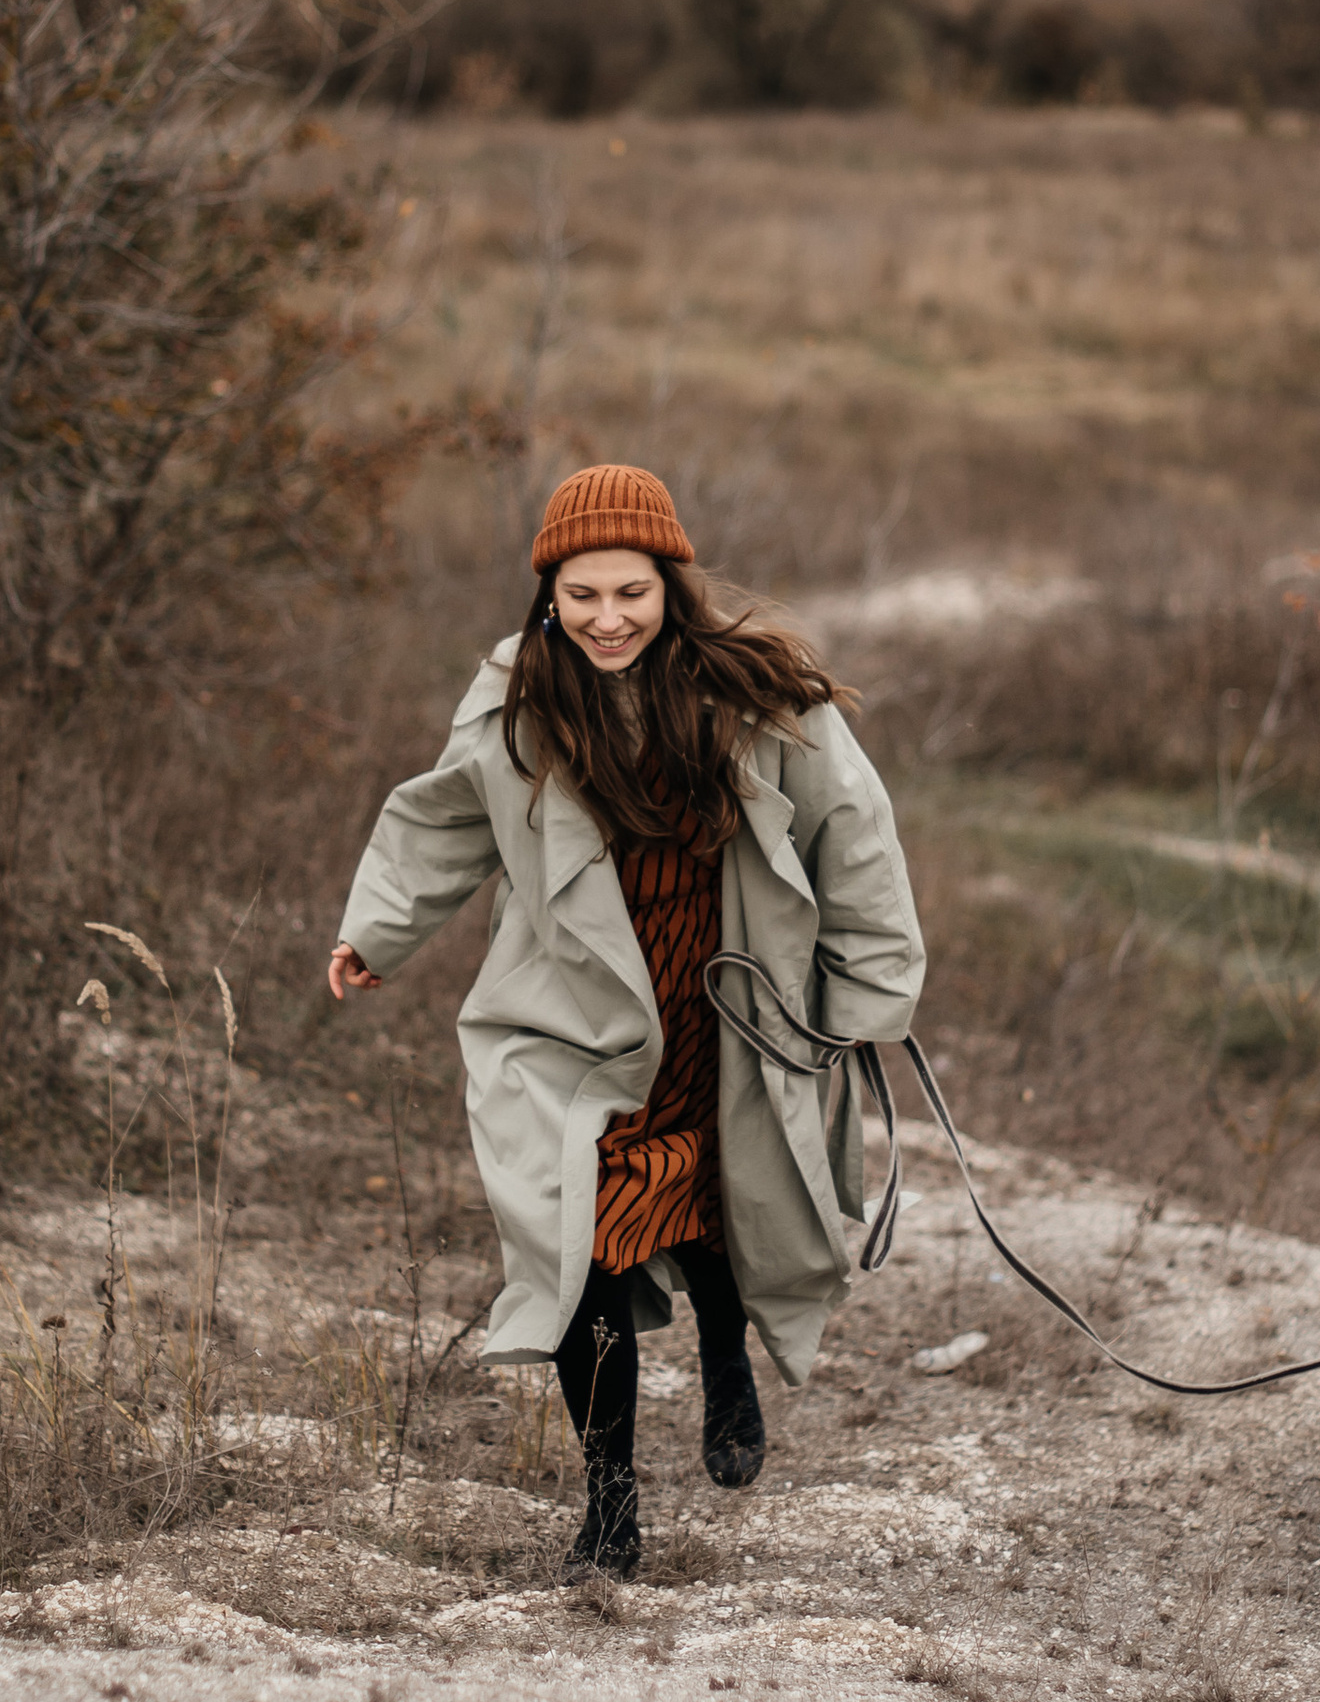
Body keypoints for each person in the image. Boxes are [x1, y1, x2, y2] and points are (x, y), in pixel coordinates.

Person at [328, 464, 924, 1582]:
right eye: (582, 593)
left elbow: (856, 833)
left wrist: (866, 994)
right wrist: (378, 932)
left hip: (720, 995)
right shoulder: (517, 700)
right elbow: (444, 817)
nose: (607, 619)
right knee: (577, 1237)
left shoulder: (758, 695)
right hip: (574, 1010)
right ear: (548, 592)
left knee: (715, 1192)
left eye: (631, 593)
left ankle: (724, 1349)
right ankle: (609, 1504)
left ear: (670, 586)